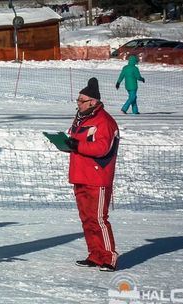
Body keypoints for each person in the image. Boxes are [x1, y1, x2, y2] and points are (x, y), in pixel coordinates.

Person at [65, 77, 120, 272]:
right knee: (87, 218)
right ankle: (95, 255)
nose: (78, 103)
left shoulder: (104, 121)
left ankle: (109, 257)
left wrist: (77, 145)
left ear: (93, 102)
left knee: (98, 219)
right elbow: (77, 140)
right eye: (78, 100)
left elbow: (102, 148)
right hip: (80, 175)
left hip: (97, 178)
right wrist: (66, 144)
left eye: (81, 100)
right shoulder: (81, 118)